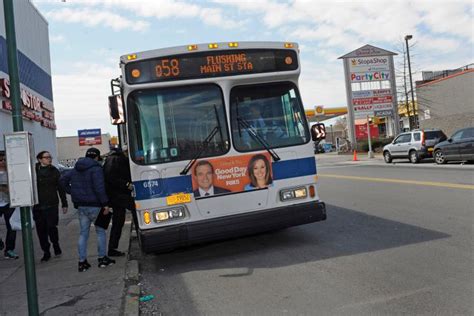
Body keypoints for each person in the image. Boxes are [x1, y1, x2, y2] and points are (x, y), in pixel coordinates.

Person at [60, 148, 115, 272]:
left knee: (83, 234)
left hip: (81, 206)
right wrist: (105, 203)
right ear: (96, 157)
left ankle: (82, 262)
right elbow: (99, 188)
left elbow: (62, 180)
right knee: (100, 232)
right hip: (96, 205)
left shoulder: (75, 169)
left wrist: (71, 191)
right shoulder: (96, 169)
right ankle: (102, 259)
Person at [34, 151, 68, 262]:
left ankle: (56, 245)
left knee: (52, 227)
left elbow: (60, 188)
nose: (49, 159)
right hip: (37, 206)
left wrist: (64, 203)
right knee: (41, 230)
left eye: (50, 157)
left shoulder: (54, 171)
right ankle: (46, 251)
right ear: (39, 159)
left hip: (52, 204)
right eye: (46, 157)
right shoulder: (33, 171)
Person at [103, 148, 134, 257]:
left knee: (118, 222)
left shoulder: (111, 159)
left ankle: (112, 248)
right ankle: (112, 248)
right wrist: (126, 184)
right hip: (119, 195)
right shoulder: (116, 159)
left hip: (115, 195)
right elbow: (112, 177)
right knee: (134, 210)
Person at [0, 150, 18, 259]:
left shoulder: (11, 173)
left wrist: (4, 188)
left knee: (11, 226)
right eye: (0, 160)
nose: (2, 162)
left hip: (8, 203)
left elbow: (14, 188)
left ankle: (9, 249)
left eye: (4, 160)